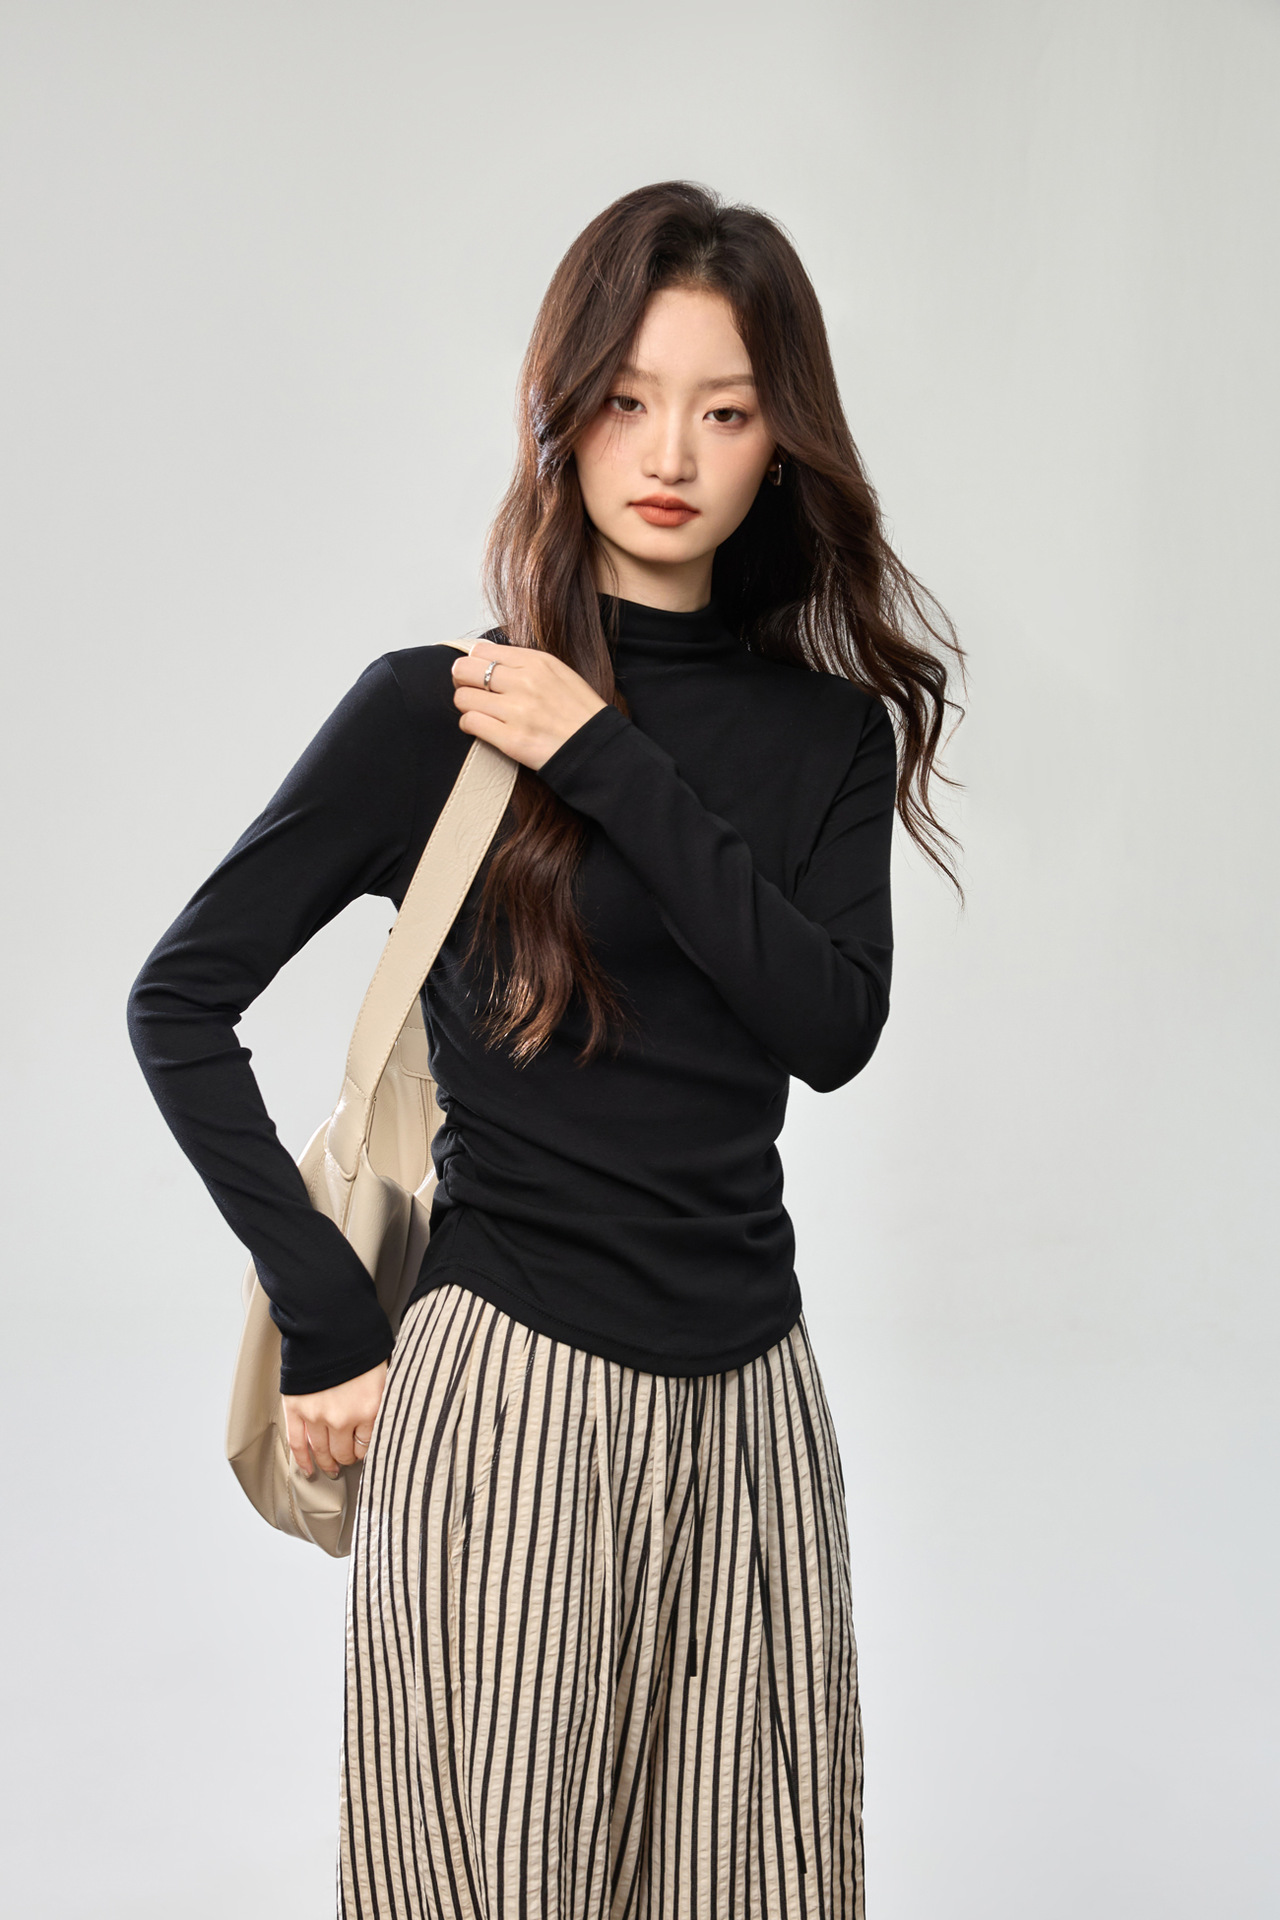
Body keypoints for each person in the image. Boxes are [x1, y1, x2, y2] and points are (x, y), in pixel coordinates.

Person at [128, 178, 964, 1920]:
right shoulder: (436, 712)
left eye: (725, 411)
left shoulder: (824, 739)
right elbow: (179, 1001)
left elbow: (831, 1028)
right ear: (562, 414)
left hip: (753, 1418)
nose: (668, 452)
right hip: (507, 1399)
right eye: (628, 399)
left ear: (783, 444)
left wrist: (606, 759)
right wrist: (329, 1318)